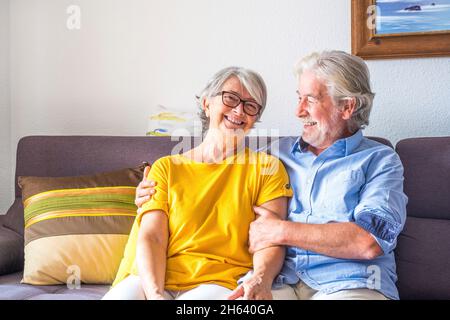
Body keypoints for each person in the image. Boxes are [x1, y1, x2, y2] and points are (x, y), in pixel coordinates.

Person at [135, 51, 408, 300]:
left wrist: (281, 230)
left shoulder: (380, 160)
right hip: (278, 284)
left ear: (347, 107)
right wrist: (145, 193)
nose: (298, 111)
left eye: (309, 99)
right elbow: (211, 174)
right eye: (298, 97)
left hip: (349, 283)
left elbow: (369, 241)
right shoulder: (274, 154)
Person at [103, 66, 293, 300]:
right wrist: (155, 295)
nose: (239, 110)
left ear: (254, 119)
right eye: (231, 98)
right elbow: (152, 236)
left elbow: (269, 240)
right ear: (206, 104)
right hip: (152, 278)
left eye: (250, 105)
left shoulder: (267, 169)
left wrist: (260, 279)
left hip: (218, 282)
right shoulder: (166, 167)